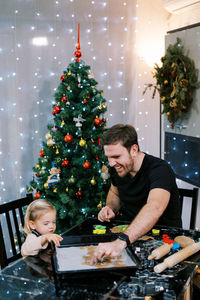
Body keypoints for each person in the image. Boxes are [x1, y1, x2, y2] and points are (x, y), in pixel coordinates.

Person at [91, 124, 182, 264]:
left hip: (165, 241)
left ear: (134, 150)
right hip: (132, 237)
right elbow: (114, 192)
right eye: (108, 157)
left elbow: (155, 207)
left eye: (116, 156)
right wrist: (110, 207)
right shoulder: (118, 168)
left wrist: (121, 241)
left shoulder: (160, 170)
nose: (111, 163)